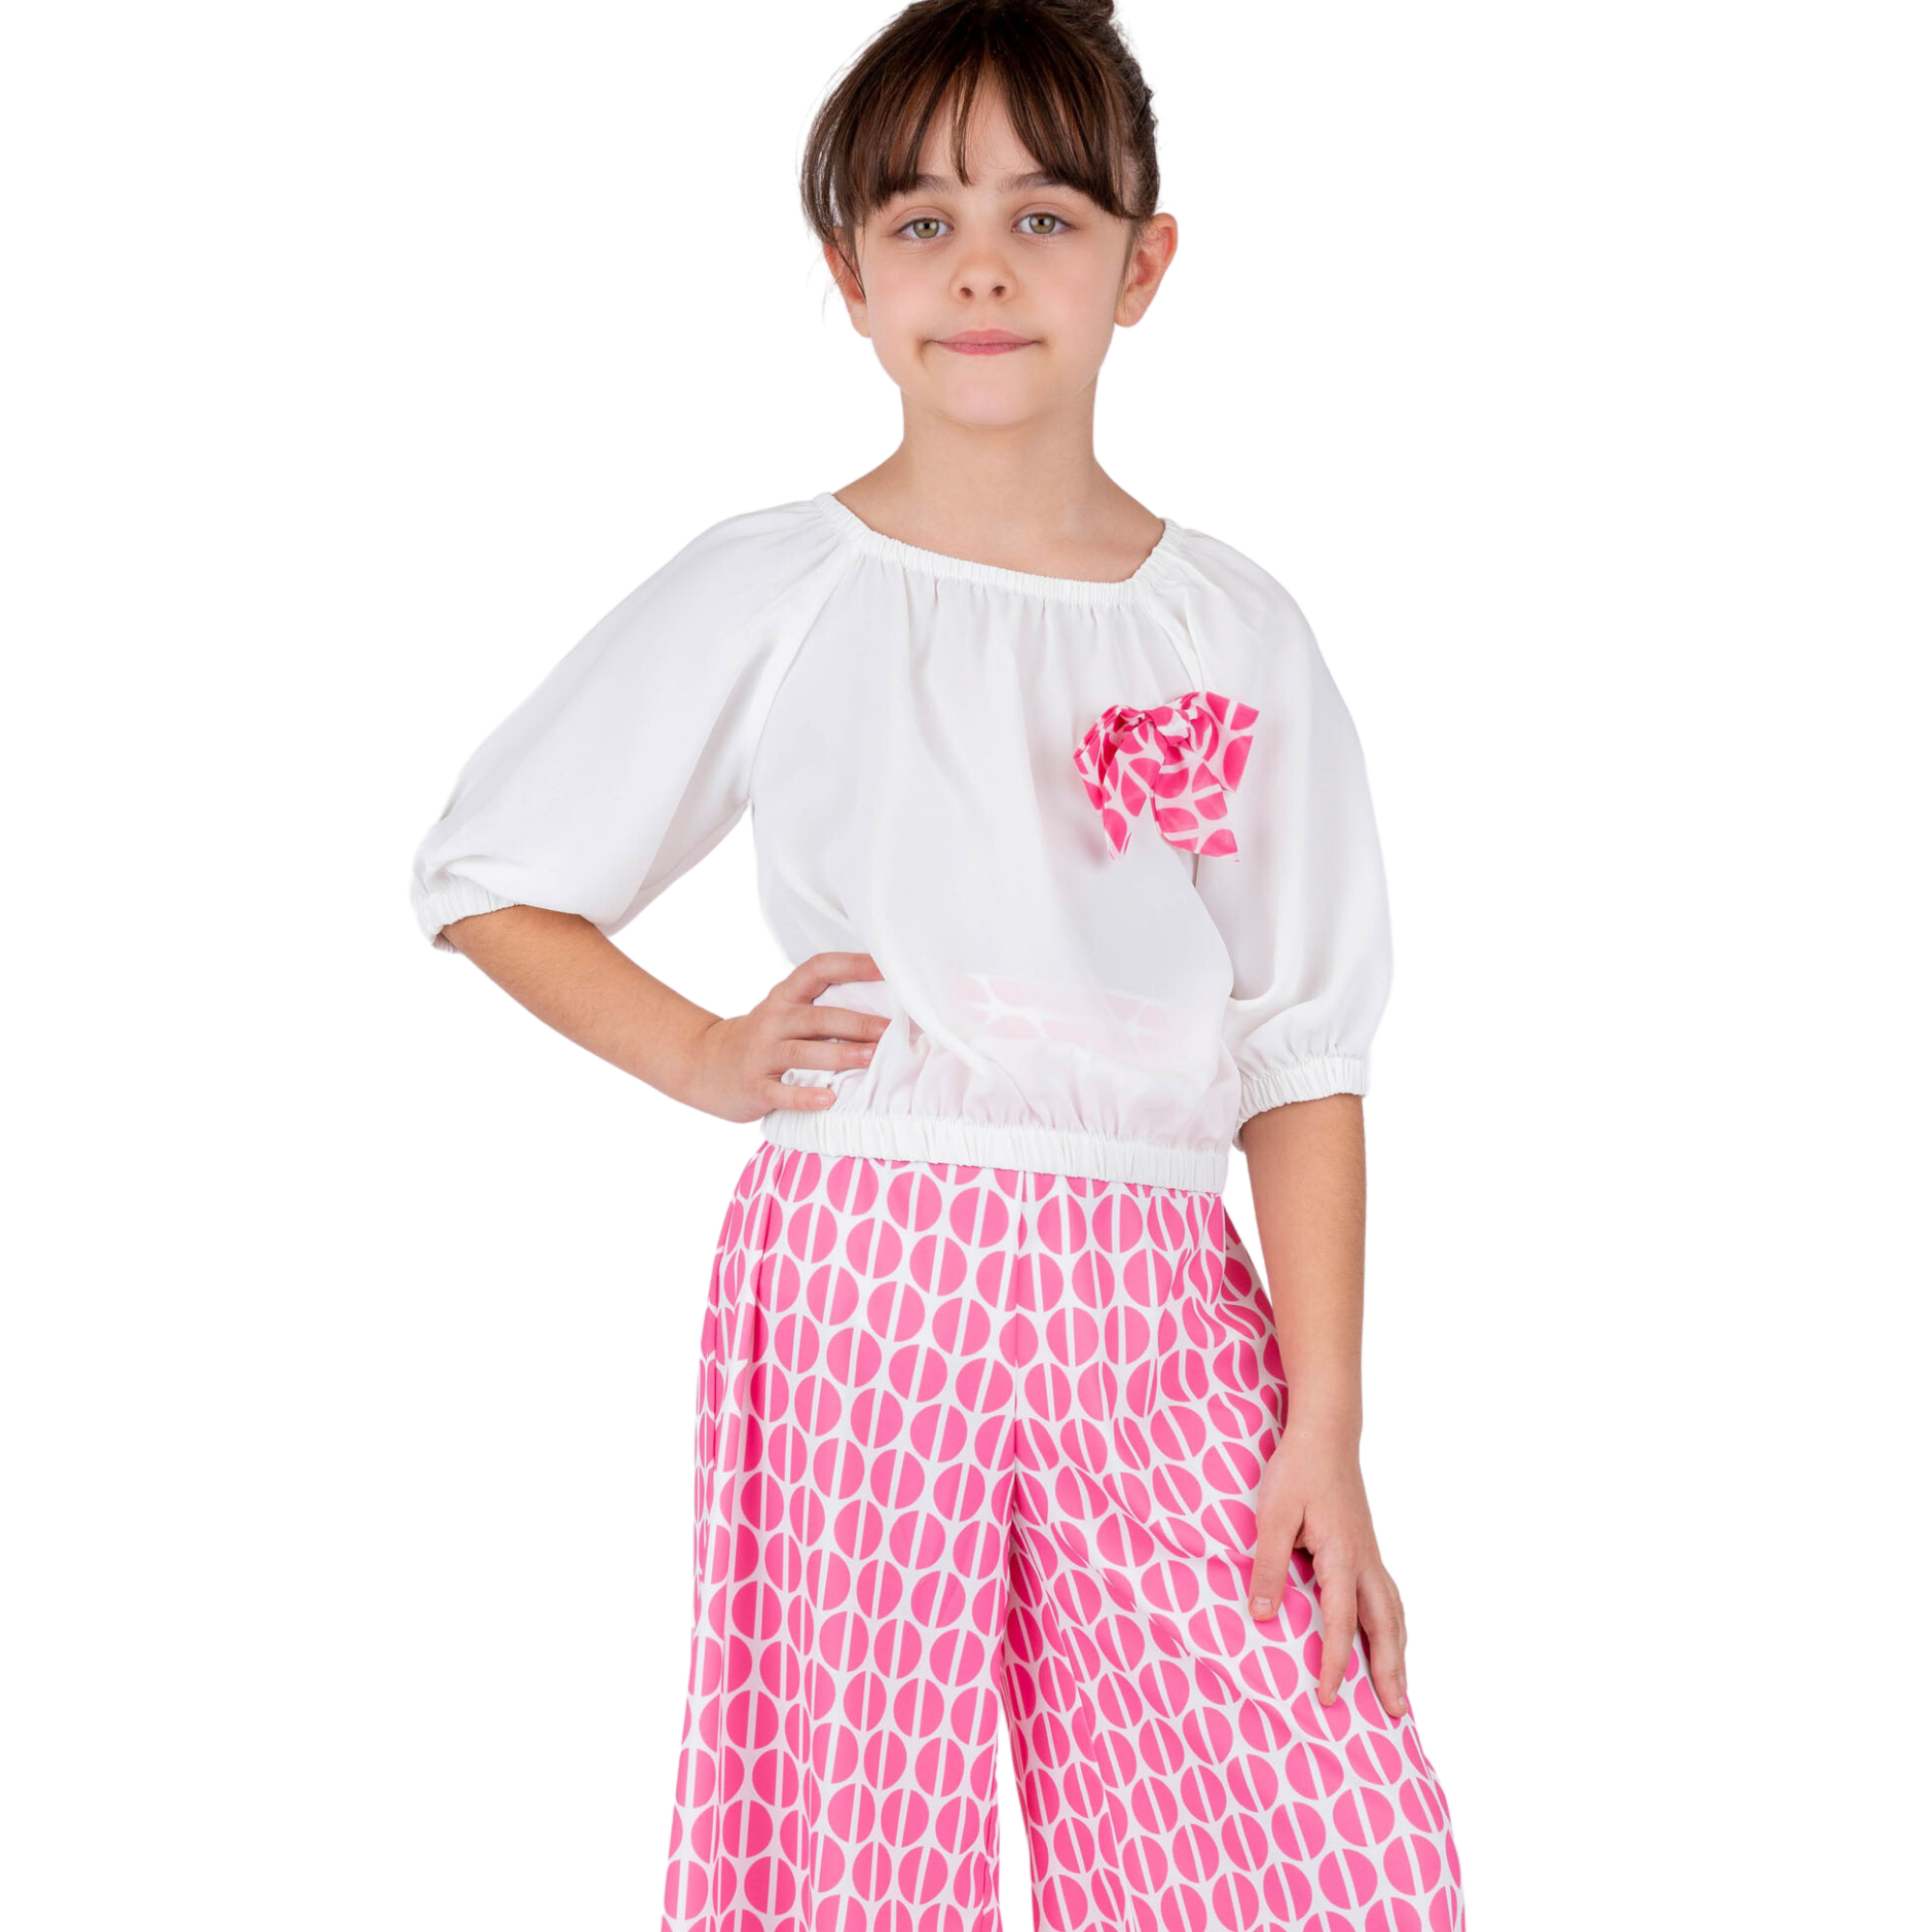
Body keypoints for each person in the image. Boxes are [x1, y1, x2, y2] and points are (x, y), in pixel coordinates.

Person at [407, 3, 1463, 1927]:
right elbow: (490, 871)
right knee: (853, 1824)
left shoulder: (1227, 627)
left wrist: (1325, 1426)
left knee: (1309, 1812)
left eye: (1044, 217)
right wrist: (702, 1053)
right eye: (921, 222)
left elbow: (1301, 1050)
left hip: (1154, 1287)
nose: (982, 268)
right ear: (850, 275)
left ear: (1144, 261)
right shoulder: (783, 586)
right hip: (865, 1266)